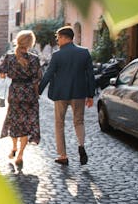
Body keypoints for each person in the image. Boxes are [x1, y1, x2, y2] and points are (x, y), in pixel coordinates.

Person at [37, 25, 96, 166]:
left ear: (64, 38)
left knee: (59, 124)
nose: (57, 41)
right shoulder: (84, 53)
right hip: (79, 93)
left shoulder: (57, 55)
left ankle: (63, 155)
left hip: (60, 94)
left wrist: (38, 91)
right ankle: (81, 145)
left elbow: (48, 74)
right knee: (79, 122)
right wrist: (91, 95)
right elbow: (90, 75)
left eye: (58, 38)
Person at [0, 30, 42, 169]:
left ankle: (14, 147)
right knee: (26, 124)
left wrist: (12, 73)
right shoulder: (34, 59)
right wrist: (36, 95)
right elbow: (37, 80)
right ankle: (20, 155)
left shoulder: (9, 57)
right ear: (30, 43)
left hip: (15, 92)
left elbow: (2, 75)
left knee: (14, 121)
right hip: (29, 93)